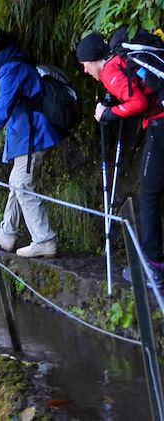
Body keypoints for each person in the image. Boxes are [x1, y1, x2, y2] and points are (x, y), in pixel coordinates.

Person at [0, 31, 61, 257]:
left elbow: (2, 108)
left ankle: (44, 240)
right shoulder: (14, 63)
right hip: (27, 135)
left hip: (33, 137)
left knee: (22, 184)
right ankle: (7, 233)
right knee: (17, 181)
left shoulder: (11, 68)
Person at [76, 32, 164, 288]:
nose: (84, 71)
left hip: (160, 126)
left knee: (149, 195)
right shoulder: (123, 58)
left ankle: (154, 267)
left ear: (93, 61)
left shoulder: (111, 71)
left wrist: (108, 114)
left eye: (84, 65)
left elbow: (135, 103)